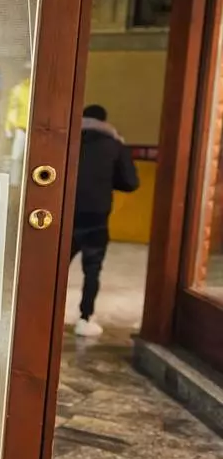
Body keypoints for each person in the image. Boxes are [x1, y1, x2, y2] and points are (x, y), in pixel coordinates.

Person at [71, 105, 140, 337]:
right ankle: (85, 318)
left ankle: (40, 313)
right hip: (96, 219)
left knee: (54, 270)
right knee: (92, 270)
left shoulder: (69, 140)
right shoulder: (115, 145)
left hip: (66, 217)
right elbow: (130, 183)